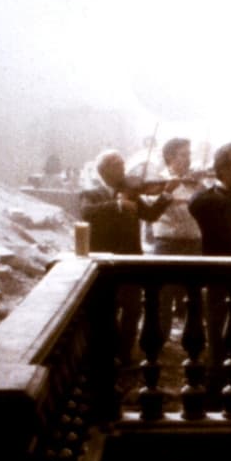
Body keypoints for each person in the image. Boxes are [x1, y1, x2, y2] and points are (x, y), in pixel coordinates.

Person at [80, 149, 176, 367]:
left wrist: (166, 195)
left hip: (131, 258)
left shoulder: (130, 191)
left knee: (133, 309)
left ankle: (125, 355)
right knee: (109, 310)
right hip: (106, 260)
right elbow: (87, 213)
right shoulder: (92, 192)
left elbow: (150, 215)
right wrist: (118, 205)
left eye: (123, 166)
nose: (124, 170)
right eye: (119, 166)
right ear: (105, 170)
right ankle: (108, 355)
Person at [188, 143, 231, 380]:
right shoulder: (206, 200)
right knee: (219, 344)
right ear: (223, 171)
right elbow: (200, 205)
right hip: (219, 285)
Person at [147, 138, 205, 339]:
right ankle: (158, 341)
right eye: (184, 155)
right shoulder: (157, 181)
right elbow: (151, 212)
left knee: (195, 296)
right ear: (170, 157)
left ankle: (195, 339)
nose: (188, 159)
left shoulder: (195, 182)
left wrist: (200, 188)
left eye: (190, 154)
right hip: (167, 244)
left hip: (194, 243)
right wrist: (167, 191)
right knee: (163, 296)